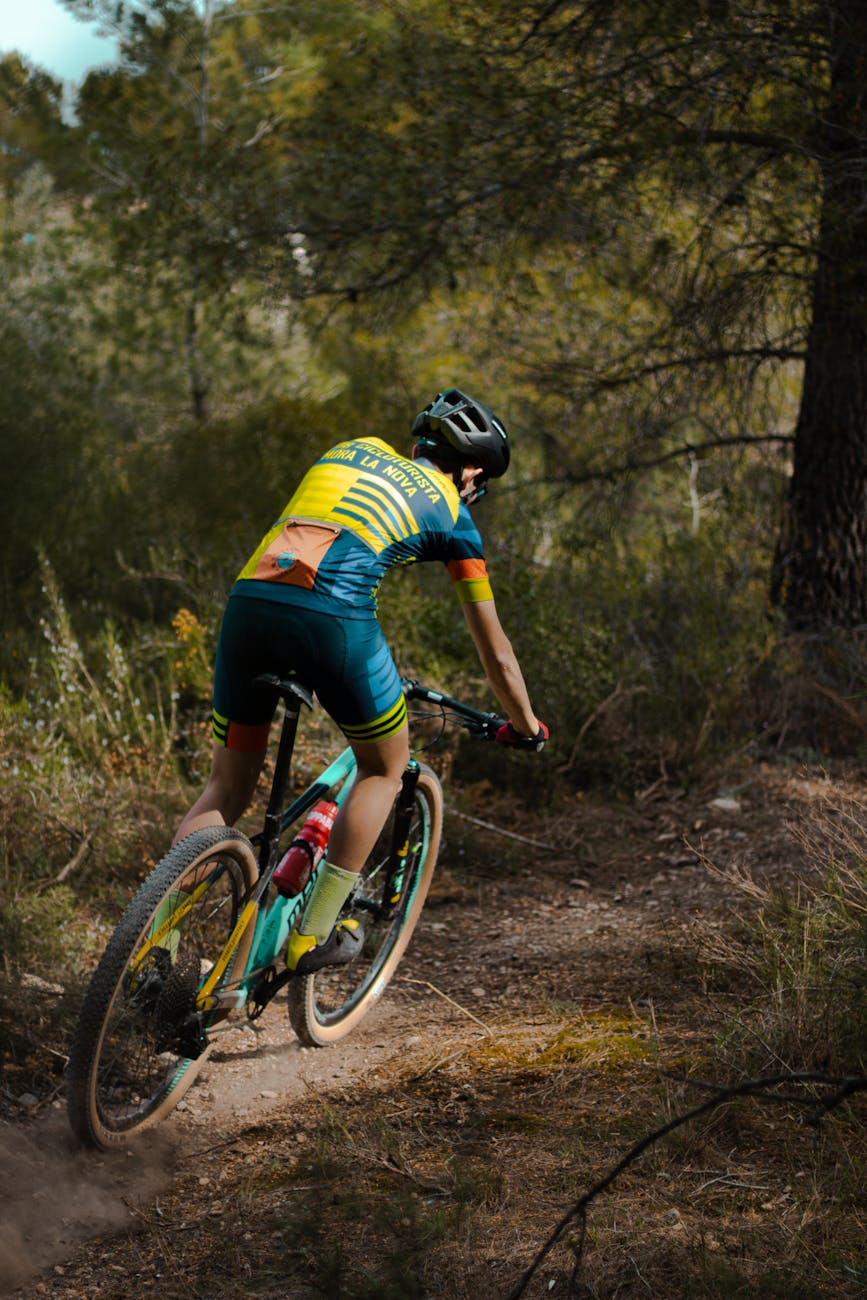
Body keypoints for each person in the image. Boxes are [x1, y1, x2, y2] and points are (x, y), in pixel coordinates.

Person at [173, 388, 548, 974]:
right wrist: (525, 724)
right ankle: (311, 935)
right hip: (333, 621)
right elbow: (496, 653)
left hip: (249, 602)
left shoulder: (351, 448)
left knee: (225, 789)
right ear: (472, 468)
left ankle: (153, 952)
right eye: (482, 481)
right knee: (382, 768)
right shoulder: (455, 514)